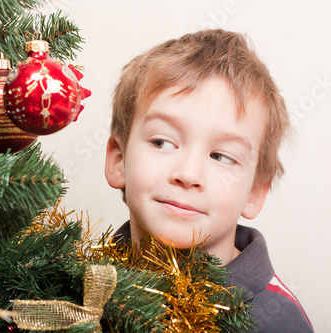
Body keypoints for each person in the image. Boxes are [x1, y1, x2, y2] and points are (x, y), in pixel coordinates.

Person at [104, 29, 314, 332]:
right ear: (118, 160)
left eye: (221, 156)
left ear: (255, 192)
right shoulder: (73, 288)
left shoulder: (279, 322)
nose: (188, 174)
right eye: (162, 142)